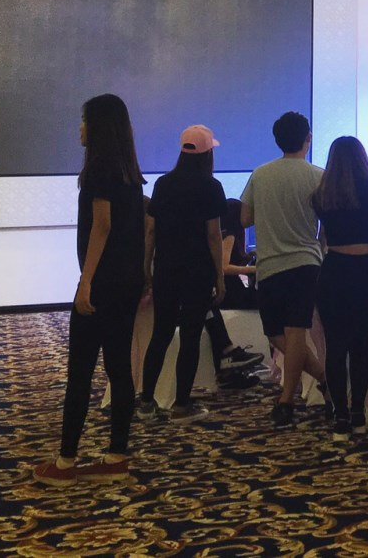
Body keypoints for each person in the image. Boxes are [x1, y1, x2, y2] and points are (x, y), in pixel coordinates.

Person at [33, 93, 147, 484]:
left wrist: (86, 281)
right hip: (127, 281)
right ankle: (116, 456)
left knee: (80, 372)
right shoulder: (129, 170)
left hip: (103, 283)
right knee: (119, 369)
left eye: (83, 121)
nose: (79, 129)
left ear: (97, 125)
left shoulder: (100, 169)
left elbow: (102, 225)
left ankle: (66, 461)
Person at [137, 125, 227, 425]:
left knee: (161, 334)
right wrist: (220, 277)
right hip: (198, 272)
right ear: (207, 153)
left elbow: (151, 230)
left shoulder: (163, 184)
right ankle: (182, 404)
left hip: (166, 269)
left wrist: (146, 268)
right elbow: (213, 235)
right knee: (190, 336)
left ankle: (146, 402)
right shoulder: (211, 187)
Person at [241, 110, 325, 430]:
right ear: (308, 138)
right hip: (306, 263)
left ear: (277, 140)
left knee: (278, 333)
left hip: (270, 264)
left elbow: (245, 219)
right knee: (293, 332)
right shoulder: (318, 175)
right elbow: (327, 219)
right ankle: (325, 379)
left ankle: (286, 400)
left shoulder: (260, 174)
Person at [314, 136, 368, 438]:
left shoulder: (322, 194)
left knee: (335, 347)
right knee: (360, 346)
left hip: (332, 271)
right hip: (362, 272)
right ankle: (358, 413)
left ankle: (340, 418)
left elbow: (322, 237)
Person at [202, 197, 263, 388]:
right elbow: (224, 267)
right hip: (231, 290)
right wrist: (253, 269)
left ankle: (228, 371)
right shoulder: (230, 235)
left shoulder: (224, 233)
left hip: (229, 289)